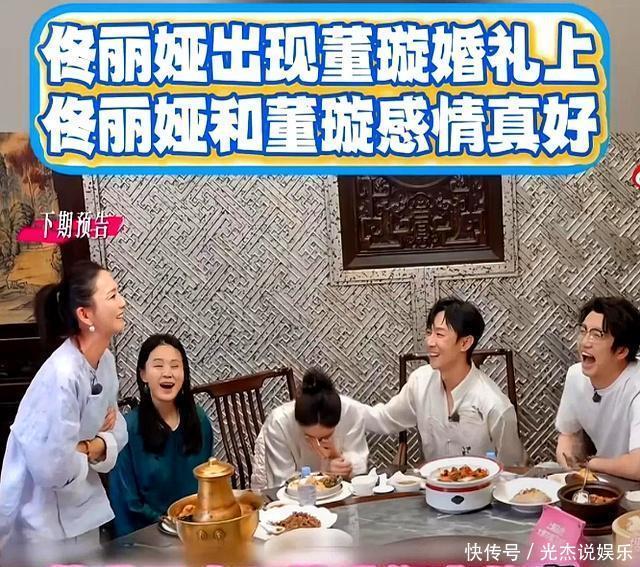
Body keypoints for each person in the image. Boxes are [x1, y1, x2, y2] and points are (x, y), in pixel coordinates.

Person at [0, 261, 128, 546]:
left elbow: (118, 429)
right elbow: (52, 467)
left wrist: (87, 445)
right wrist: (95, 442)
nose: (122, 302)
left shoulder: (105, 361)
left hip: (82, 509)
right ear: (85, 314)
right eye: (112, 296)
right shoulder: (63, 375)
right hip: (41, 522)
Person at [357, 297, 526, 466]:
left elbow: (513, 469)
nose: (430, 342)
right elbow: (384, 419)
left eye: (439, 334)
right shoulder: (420, 382)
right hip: (432, 481)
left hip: (481, 482)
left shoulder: (495, 405)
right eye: (429, 332)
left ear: (465, 343)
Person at [109, 334, 213, 537]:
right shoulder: (127, 428)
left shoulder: (199, 420)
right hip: (148, 535)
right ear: (143, 374)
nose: (168, 373)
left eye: (175, 366)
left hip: (198, 529)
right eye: (158, 365)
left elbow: (208, 483)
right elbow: (127, 503)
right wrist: (170, 524)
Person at [556, 297, 640, 480]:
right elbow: (568, 435)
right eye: (583, 331)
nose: (585, 342)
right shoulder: (576, 376)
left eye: (597, 335)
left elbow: (638, 466)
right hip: (605, 478)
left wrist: (592, 464)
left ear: (621, 351)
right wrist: (572, 469)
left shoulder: (636, 386)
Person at [251, 367, 369, 489]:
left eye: (325, 437)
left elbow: (359, 465)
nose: (317, 443)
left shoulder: (349, 413)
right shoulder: (278, 423)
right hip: (296, 496)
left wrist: (340, 461)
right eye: (310, 437)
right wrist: (323, 473)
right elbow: (281, 483)